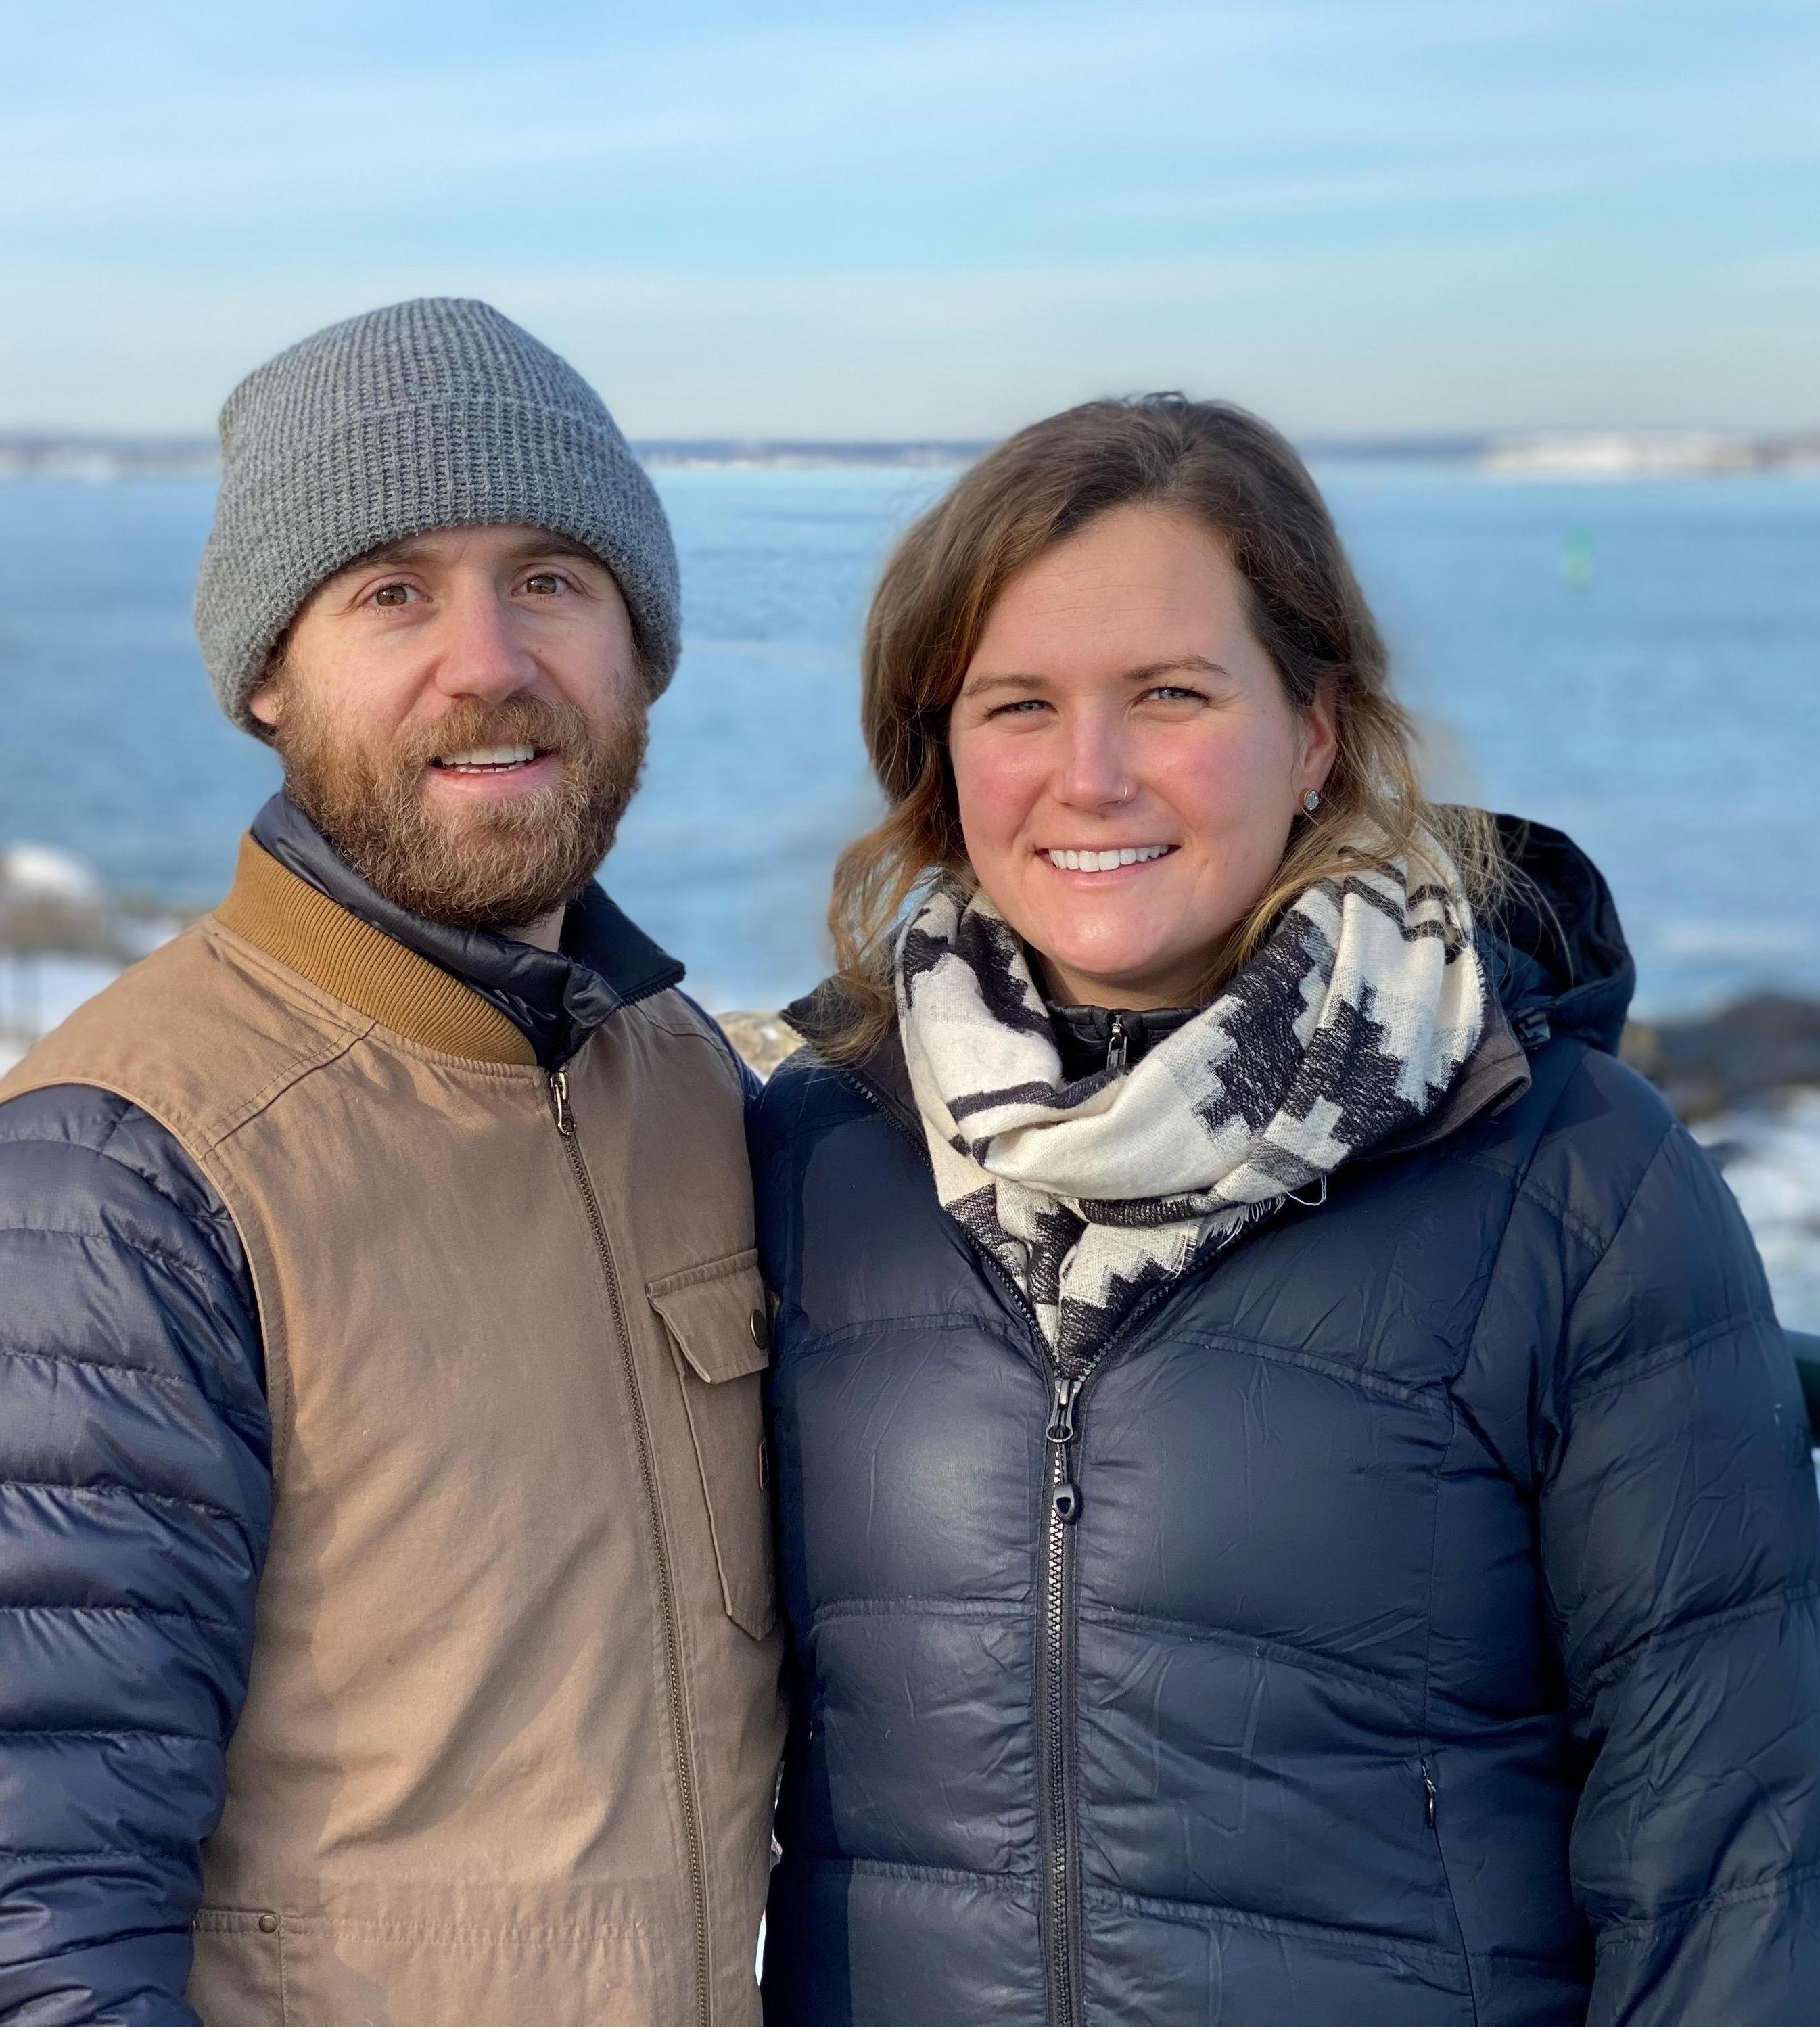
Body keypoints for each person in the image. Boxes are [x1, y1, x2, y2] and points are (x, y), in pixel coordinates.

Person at [751, 396, 1820, 2025]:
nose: (1090, 775)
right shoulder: (819, 1154)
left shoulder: (1569, 1178)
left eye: (1170, 695)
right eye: (1017, 704)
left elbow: (1734, 1856)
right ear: (940, 754)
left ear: (1314, 730)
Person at [0, 299, 784, 2027]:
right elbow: (19, 1951)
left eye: (551, 580)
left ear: (640, 647)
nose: (488, 661)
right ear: (267, 677)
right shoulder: (107, 1188)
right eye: (391, 592)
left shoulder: (685, 1087)